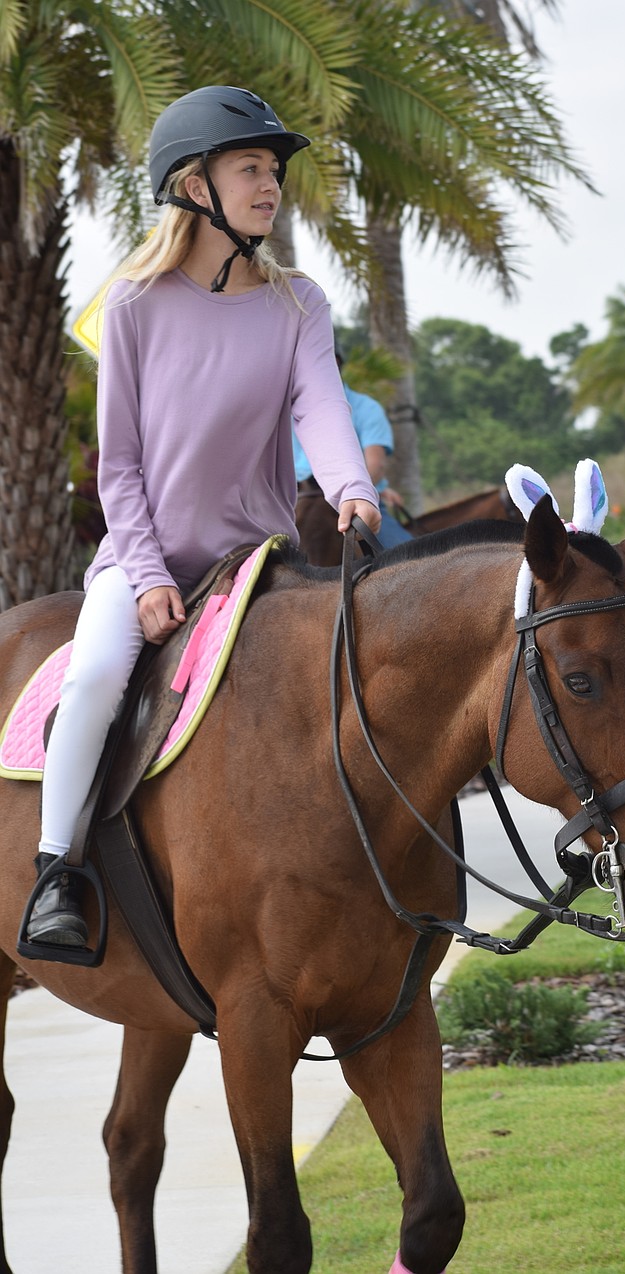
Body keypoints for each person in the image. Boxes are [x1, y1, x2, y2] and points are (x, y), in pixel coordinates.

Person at [25, 85, 381, 948]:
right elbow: (120, 465)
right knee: (97, 676)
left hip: (256, 564)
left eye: (273, 170)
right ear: (194, 187)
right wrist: (145, 577)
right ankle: (56, 871)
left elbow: (322, 409)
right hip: (146, 560)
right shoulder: (136, 306)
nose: (271, 186)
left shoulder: (298, 304)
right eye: (251, 168)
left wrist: (348, 487)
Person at [292, 349, 412, 549]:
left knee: (405, 557)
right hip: (295, 500)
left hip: (353, 499)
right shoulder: (283, 407)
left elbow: (376, 465)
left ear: (335, 363)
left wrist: (357, 494)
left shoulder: (367, 407)